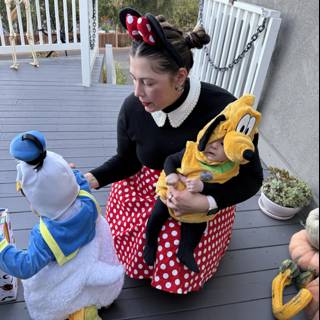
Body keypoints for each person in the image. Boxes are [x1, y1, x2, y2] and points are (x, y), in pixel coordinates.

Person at [84, 7, 263, 294]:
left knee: (177, 256)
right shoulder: (134, 107)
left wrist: (206, 204)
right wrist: (89, 179)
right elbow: (127, 161)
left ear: (180, 77)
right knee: (139, 242)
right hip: (147, 189)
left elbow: (252, 179)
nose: (137, 92)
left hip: (205, 191)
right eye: (133, 78)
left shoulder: (225, 112)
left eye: (148, 82)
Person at [0, 131, 124, 320]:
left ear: (37, 201)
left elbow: (25, 267)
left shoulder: (47, 237)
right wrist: (62, 172)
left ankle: (77, 310)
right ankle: (90, 305)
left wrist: (2, 247)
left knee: (57, 299)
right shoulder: (85, 199)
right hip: (96, 266)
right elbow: (75, 178)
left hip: (70, 287)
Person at [143, 95, 262, 273]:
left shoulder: (228, 169)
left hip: (200, 202)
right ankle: (150, 243)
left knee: (197, 226)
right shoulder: (191, 151)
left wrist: (203, 188)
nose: (213, 146)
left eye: (222, 144)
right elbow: (170, 160)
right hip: (172, 191)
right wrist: (171, 176)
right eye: (213, 138)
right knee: (157, 215)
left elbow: (221, 188)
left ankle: (185, 250)